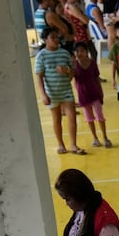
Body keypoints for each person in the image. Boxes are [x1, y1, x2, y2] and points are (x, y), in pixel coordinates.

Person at [34, 28, 82, 156]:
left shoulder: (64, 53)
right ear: (45, 40)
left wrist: (66, 70)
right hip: (52, 92)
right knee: (57, 119)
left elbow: (72, 73)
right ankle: (61, 144)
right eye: (52, 38)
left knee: (72, 117)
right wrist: (43, 94)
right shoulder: (41, 55)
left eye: (57, 37)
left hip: (66, 90)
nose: (56, 40)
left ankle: (73, 144)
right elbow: (39, 76)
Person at [71, 41, 112, 149]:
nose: (80, 53)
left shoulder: (92, 63)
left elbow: (97, 78)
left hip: (95, 93)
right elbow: (72, 78)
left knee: (100, 116)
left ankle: (105, 137)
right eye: (77, 51)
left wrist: (101, 92)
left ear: (86, 52)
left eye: (82, 51)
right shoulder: (74, 65)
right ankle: (95, 138)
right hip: (83, 95)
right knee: (89, 118)